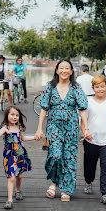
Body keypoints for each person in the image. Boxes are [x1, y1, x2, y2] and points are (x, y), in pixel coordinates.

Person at [34, 59, 91, 202]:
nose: (64, 71)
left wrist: (86, 129)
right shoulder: (50, 87)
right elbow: (44, 109)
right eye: (61, 68)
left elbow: (82, 110)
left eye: (67, 68)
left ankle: (66, 189)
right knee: (56, 154)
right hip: (54, 126)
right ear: (57, 70)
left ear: (71, 71)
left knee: (69, 157)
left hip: (72, 127)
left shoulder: (76, 88)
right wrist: (39, 128)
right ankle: (54, 181)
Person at [81, 75, 106, 205]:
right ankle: (88, 181)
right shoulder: (88, 102)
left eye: (102, 87)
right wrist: (85, 132)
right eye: (97, 87)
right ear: (93, 89)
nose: (100, 89)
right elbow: (83, 120)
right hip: (91, 141)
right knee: (89, 166)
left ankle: (105, 193)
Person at [0, 106, 34, 209]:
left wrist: (35, 137)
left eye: (17, 115)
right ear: (7, 115)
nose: (15, 117)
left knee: (19, 176)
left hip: (20, 154)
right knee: (11, 177)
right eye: (12, 114)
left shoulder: (19, 128)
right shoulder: (5, 128)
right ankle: (9, 200)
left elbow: (23, 138)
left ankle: (18, 190)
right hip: (9, 156)